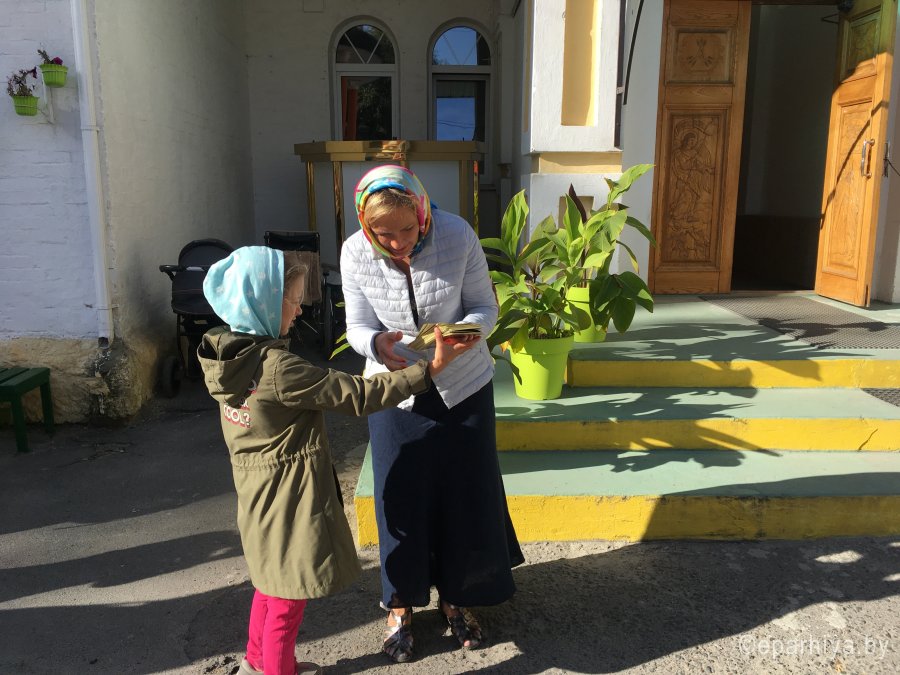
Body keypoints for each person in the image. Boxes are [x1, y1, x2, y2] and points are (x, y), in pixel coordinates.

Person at [197, 246, 477, 675]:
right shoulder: (278, 369)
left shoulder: (228, 358)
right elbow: (358, 395)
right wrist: (430, 369)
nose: (299, 309)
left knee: (269, 583)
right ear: (262, 303)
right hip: (289, 496)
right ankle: (277, 670)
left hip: (255, 491)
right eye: (292, 300)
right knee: (289, 596)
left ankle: (257, 662)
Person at [340, 165, 524, 663]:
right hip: (395, 389)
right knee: (398, 498)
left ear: (422, 211)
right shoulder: (355, 251)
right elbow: (357, 325)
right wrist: (376, 344)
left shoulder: (457, 234)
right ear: (365, 225)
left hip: (463, 384)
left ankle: (456, 597)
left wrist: (464, 336)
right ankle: (399, 604)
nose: (397, 243)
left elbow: (486, 307)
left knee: (464, 494)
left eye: (406, 229)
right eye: (383, 234)